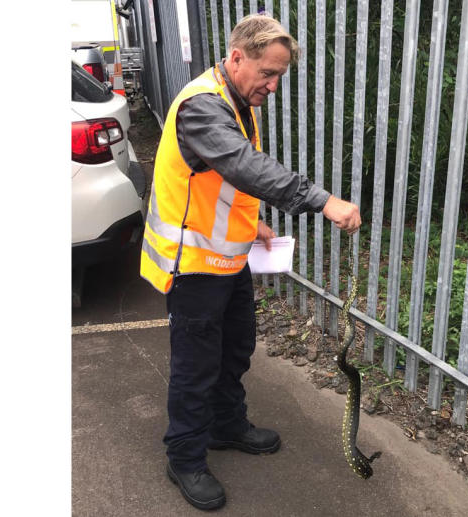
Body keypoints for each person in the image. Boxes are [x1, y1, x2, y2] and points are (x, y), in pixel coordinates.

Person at [139, 13, 361, 511]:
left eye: (280, 74)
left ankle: (225, 425)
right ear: (237, 58)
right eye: (267, 72)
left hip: (229, 259)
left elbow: (224, 178)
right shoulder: (202, 107)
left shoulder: (237, 98)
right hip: (193, 266)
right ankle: (185, 458)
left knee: (236, 348)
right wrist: (322, 201)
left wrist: (252, 222)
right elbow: (244, 165)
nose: (274, 85)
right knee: (195, 368)